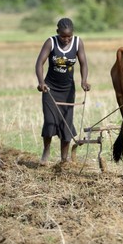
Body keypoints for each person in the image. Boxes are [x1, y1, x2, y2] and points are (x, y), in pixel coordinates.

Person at [35, 18, 91, 165]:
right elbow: (39, 63)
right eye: (63, 36)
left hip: (68, 90)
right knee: (50, 121)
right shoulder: (51, 42)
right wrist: (41, 83)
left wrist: (84, 81)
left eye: (69, 36)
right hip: (50, 88)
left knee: (66, 123)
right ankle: (46, 151)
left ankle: (64, 160)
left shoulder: (78, 42)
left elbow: (84, 63)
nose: (66, 39)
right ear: (57, 32)